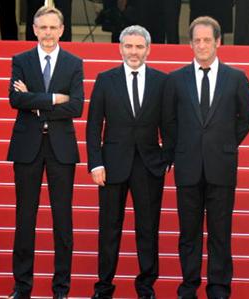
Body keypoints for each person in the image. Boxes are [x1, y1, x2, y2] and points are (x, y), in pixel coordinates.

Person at [163, 16, 249, 299]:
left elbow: (246, 118)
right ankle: (188, 287)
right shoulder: (176, 79)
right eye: (197, 40)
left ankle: (218, 288)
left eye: (207, 40)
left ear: (218, 42)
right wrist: (181, 148)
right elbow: (168, 121)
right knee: (188, 234)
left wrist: (225, 144)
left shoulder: (236, 78)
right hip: (188, 166)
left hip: (221, 166)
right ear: (190, 43)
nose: (202, 45)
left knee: (220, 233)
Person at [86, 25, 172, 299]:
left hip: (149, 165)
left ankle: (146, 288)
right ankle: (104, 287)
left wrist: (166, 158)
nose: (134, 52)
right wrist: (95, 163)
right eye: (129, 46)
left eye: (139, 47)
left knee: (148, 228)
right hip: (111, 166)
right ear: (120, 48)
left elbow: (170, 123)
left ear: (148, 49)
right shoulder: (105, 79)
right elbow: (93, 125)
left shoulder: (162, 81)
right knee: (109, 228)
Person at [6, 5, 83, 299]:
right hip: (28, 149)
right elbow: (15, 98)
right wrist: (53, 98)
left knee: (63, 222)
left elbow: (76, 105)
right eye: (43, 28)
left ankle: (61, 289)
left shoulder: (74, 63)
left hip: (61, 149)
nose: (48, 33)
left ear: (62, 30)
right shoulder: (21, 60)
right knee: (25, 219)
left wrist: (34, 100)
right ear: (34, 30)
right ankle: (21, 287)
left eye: (53, 27)